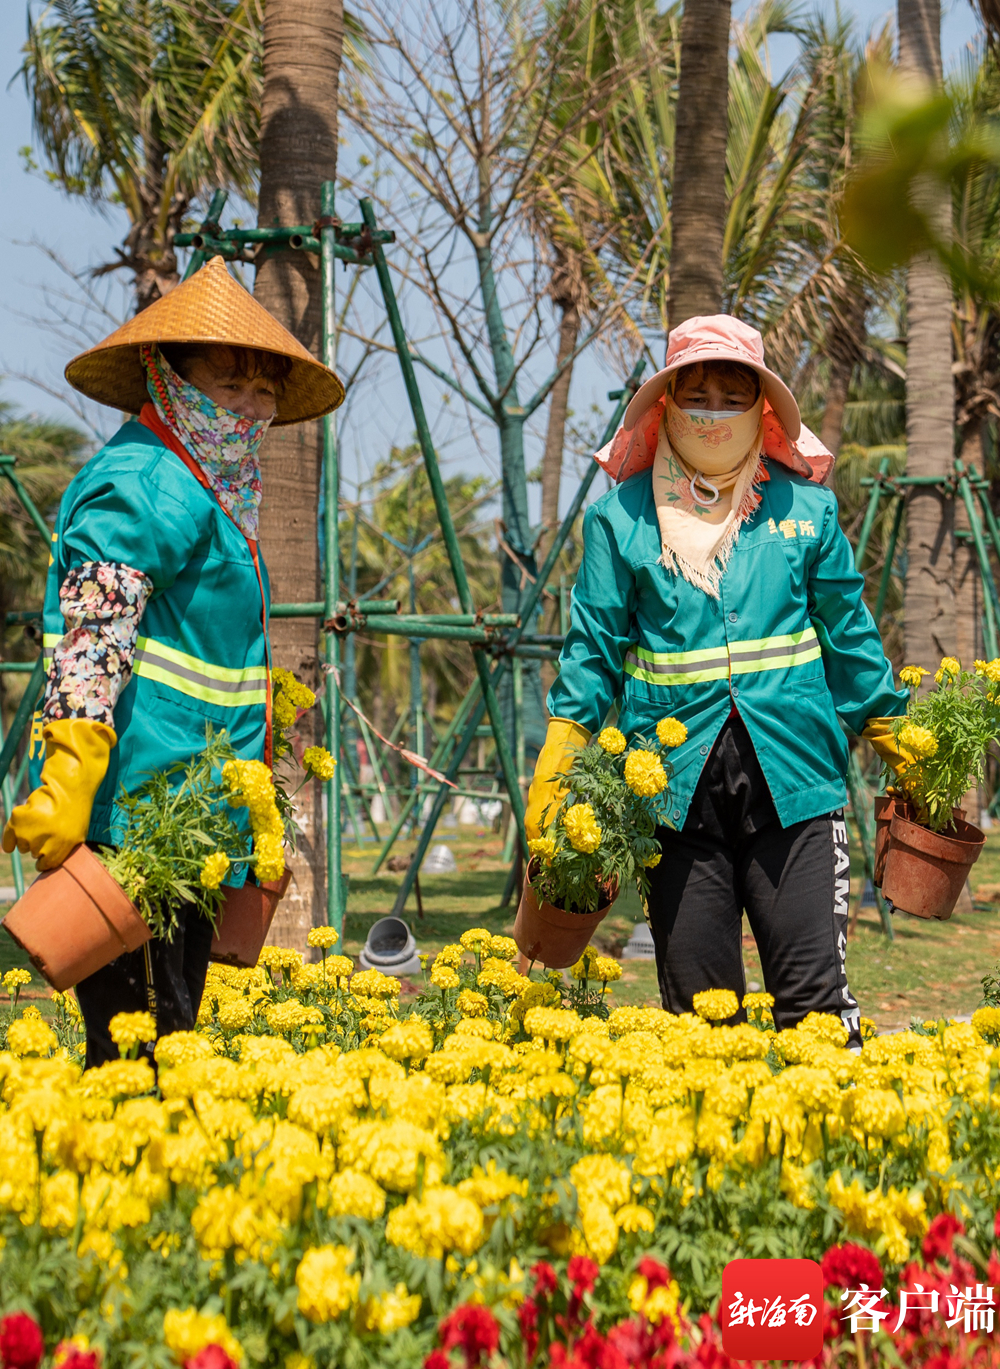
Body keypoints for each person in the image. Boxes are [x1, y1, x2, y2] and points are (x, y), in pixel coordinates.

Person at [524, 314, 908, 1048]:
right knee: (702, 1021)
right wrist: (562, 752)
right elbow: (594, 649)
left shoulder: (807, 510)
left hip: (796, 787)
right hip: (673, 798)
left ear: (761, 408)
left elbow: (850, 637)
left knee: (817, 1010)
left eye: (731, 393)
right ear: (664, 402)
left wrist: (894, 730)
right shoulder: (619, 521)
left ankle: (833, 1155)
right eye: (693, 391)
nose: (711, 409)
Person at [2, 256, 343, 1066]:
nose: (252, 408)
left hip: (185, 806)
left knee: (170, 1026)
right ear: (169, 378)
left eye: (264, 392)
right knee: (138, 1040)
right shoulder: (143, 482)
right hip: (133, 811)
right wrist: (68, 780)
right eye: (232, 386)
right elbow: (95, 641)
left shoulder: (210, 484)